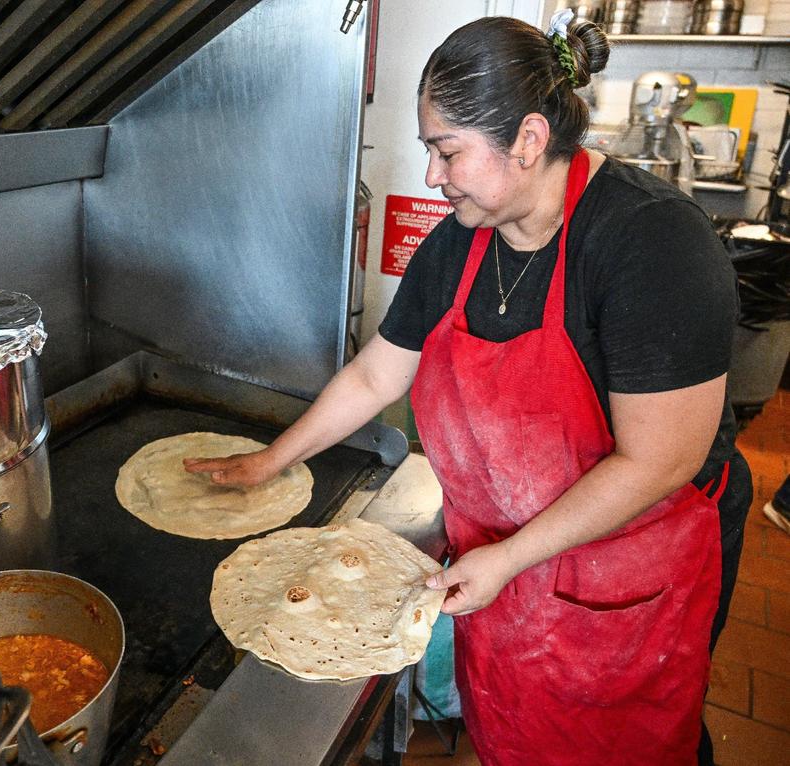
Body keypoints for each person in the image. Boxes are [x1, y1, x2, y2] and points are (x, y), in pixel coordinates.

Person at [184, 11, 751, 766]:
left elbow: (660, 461)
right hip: (504, 566)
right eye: (429, 150)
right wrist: (270, 459)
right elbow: (377, 372)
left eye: (447, 151)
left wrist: (514, 557)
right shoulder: (458, 241)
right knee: (512, 729)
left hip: (625, 580)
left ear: (528, 139)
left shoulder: (649, 244)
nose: (430, 176)